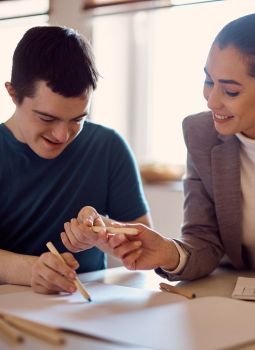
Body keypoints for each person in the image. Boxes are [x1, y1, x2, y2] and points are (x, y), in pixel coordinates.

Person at [67, 12, 255, 284]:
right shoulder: (201, 135)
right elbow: (204, 240)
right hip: (238, 299)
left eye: (231, 91)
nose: (212, 101)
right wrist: (168, 252)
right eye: (209, 81)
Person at [0, 25, 151, 294]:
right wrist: (29, 270)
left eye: (77, 120)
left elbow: (142, 242)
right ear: (13, 93)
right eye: (47, 118)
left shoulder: (107, 146)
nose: (62, 135)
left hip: (87, 308)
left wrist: (105, 233)